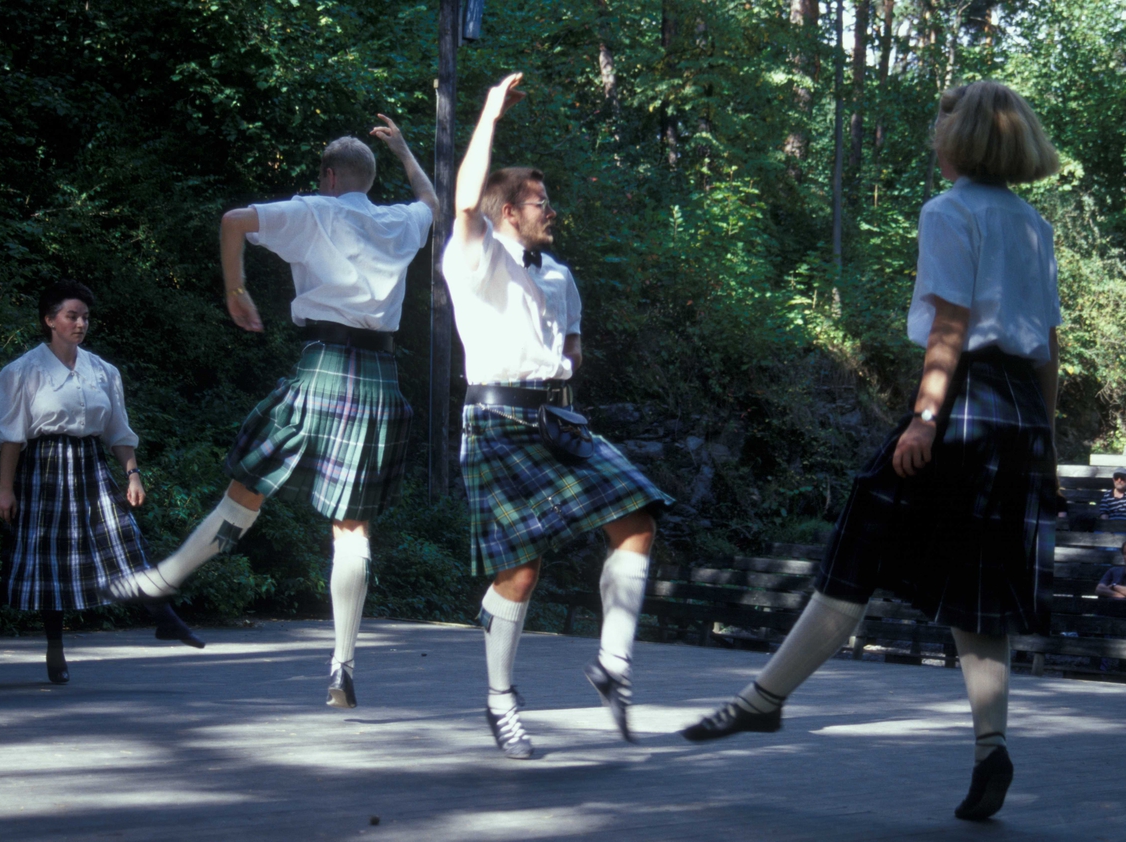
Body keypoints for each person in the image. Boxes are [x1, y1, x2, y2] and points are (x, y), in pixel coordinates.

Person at [682, 80, 1062, 823]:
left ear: (965, 138)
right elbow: (1049, 345)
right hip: (1019, 414)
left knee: (859, 546)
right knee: (977, 587)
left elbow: (951, 325)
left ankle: (764, 701)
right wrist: (1043, 442)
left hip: (962, 403)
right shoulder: (1033, 225)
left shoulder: (949, 211)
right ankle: (992, 747)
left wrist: (923, 418)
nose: (934, 134)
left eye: (943, 123)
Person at [103, 116, 438, 710]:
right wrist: (406, 150)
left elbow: (233, 221)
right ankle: (342, 668)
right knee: (353, 529)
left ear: (329, 176)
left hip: (323, 368)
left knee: (248, 486)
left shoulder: (315, 208)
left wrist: (236, 290)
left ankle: (165, 577)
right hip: (380, 380)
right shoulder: (398, 221)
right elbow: (432, 201)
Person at [442, 73, 673, 760]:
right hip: (495, 422)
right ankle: (501, 700)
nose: (551, 210)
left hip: (557, 423)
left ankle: (613, 663)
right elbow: (462, 198)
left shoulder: (558, 274)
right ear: (506, 211)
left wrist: (565, 360)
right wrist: (486, 114)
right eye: (539, 202)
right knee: (520, 571)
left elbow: (571, 343)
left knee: (637, 515)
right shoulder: (474, 256)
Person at [0, 281, 203, 685]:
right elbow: (12, 437)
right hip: (43, 467)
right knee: (49, 561)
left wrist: (133, 473)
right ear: (49, 320)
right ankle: (55, 649)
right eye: (71, 316)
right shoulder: (22, 372)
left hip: (89, 464)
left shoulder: (102, 371)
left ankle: (166, 618)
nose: (80, 323)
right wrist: (6, 488)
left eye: (85, 317)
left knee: (125, 541)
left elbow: (118, 431)